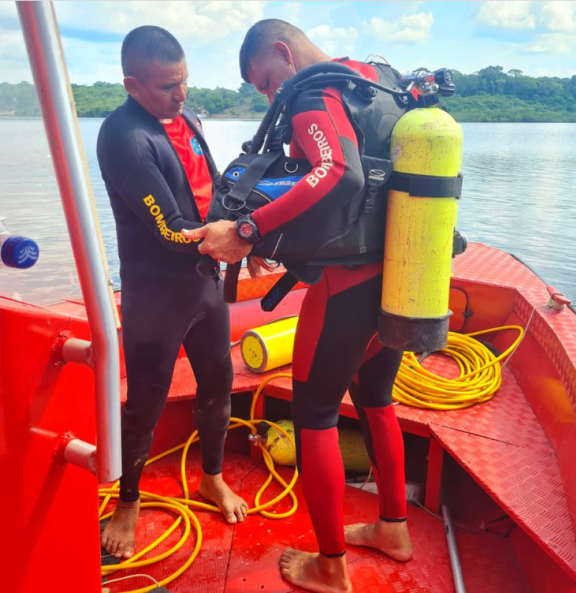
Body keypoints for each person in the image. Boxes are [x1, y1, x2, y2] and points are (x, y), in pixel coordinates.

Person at [184, 19, 413, 593]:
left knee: (315, 416)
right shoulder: (375, 83)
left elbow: (335, 171)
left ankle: (331, 568)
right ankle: (394, 529)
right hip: (402, 275)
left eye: (265, 82)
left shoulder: (314, 94)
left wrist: (246, 229)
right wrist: (270, 237)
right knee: (377, 400)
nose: (269, 97)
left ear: (282, 53)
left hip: (347, 288)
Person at [97, 26, 247, 561]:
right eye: (166, 87)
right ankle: (128, 502)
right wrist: (233, 242)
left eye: (184, 82)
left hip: (203, 287)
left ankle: (211, 478)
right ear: (133, 85)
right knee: (145, 402)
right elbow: (170, 230)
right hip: (156, 294)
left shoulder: (187, 119)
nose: (180, 96)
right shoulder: (123, 137)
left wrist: (248, 225)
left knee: (219, 383)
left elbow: (218, 193)